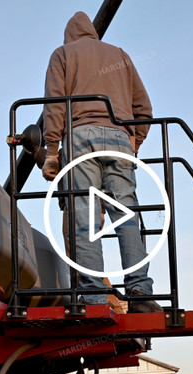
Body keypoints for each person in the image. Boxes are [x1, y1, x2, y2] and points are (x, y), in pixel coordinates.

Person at [38, 11, 160, 313]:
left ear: (69, 36)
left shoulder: (63, 54)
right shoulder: (119, 55)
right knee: (127, 216)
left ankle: (93, 298)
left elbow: (54, 104)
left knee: (85, 218)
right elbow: (144, 108)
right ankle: (140, 291)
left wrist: (52, 151)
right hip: (120, 138)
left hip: (80, 139)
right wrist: (135, 141)